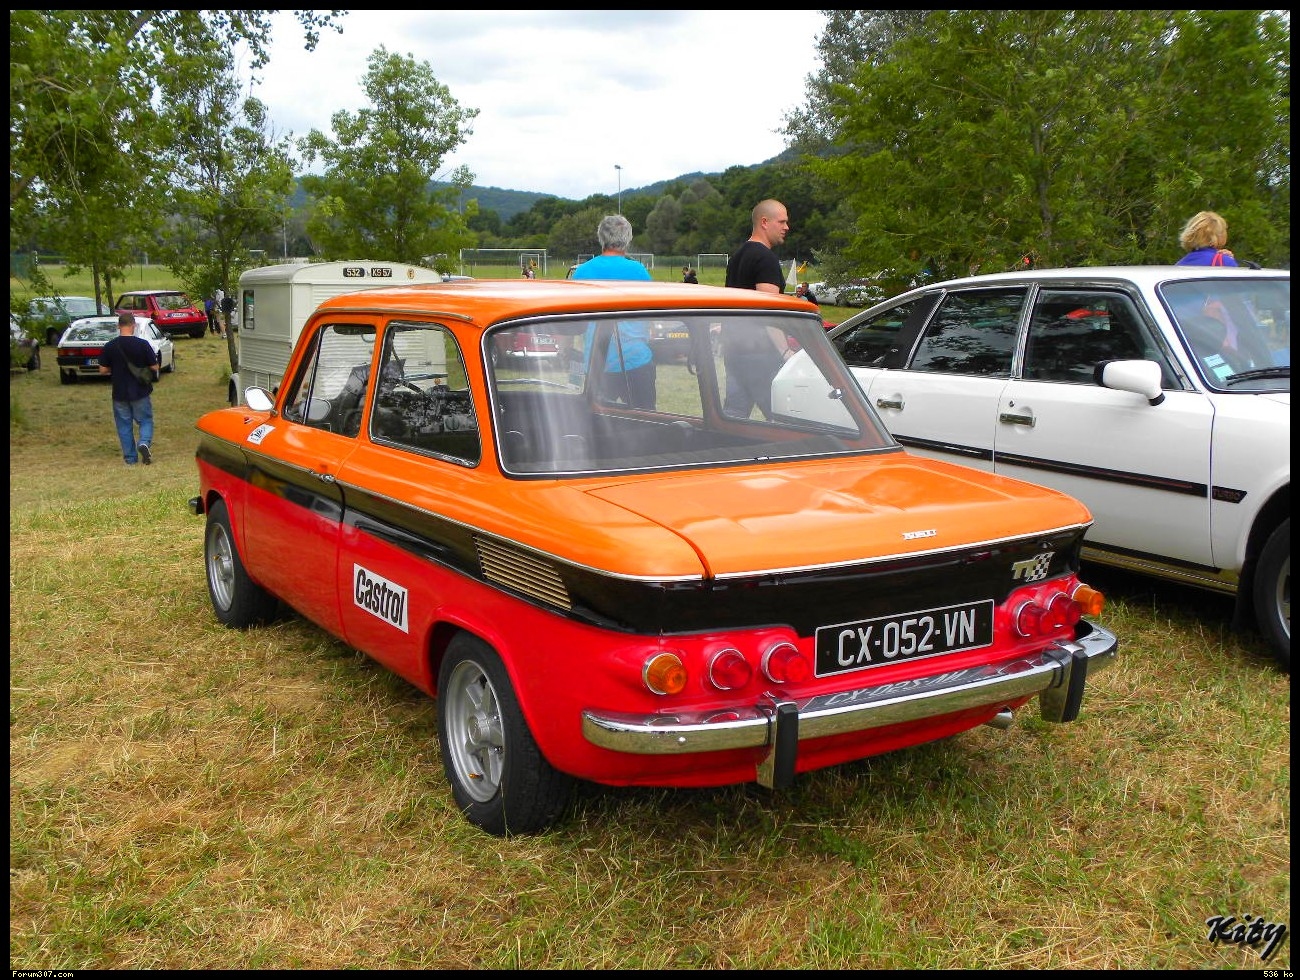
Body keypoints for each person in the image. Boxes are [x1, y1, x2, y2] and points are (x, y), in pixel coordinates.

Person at [571, 214, 656, 409]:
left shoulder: (582, 272)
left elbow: (573, 321)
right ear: (628, 238)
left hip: (596, 363)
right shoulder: (639, 272)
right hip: (636, 361)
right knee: (646, 421)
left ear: (601, 237)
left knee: (595, 421)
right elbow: (650, 315)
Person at [722, 199, 794, 418]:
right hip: (760, 354)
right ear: (764, 222)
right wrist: (785, 351)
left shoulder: (737, 257)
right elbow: (768, 310)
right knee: (782, 418)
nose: (786, 227)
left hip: (733, 351)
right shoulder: (765, 258)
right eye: (781, 222)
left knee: (734, 415)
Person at [98, 312, 160, 465]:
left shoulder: (110, 346)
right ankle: (144, 442)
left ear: (118, 326)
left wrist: (116, 368)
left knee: (124, 425)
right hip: (140, 390)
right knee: (145, 420)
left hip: (119, 392)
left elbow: (102, 370)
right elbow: (155, 366)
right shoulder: (142, 344)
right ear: (134, 325)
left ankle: (130, 459)